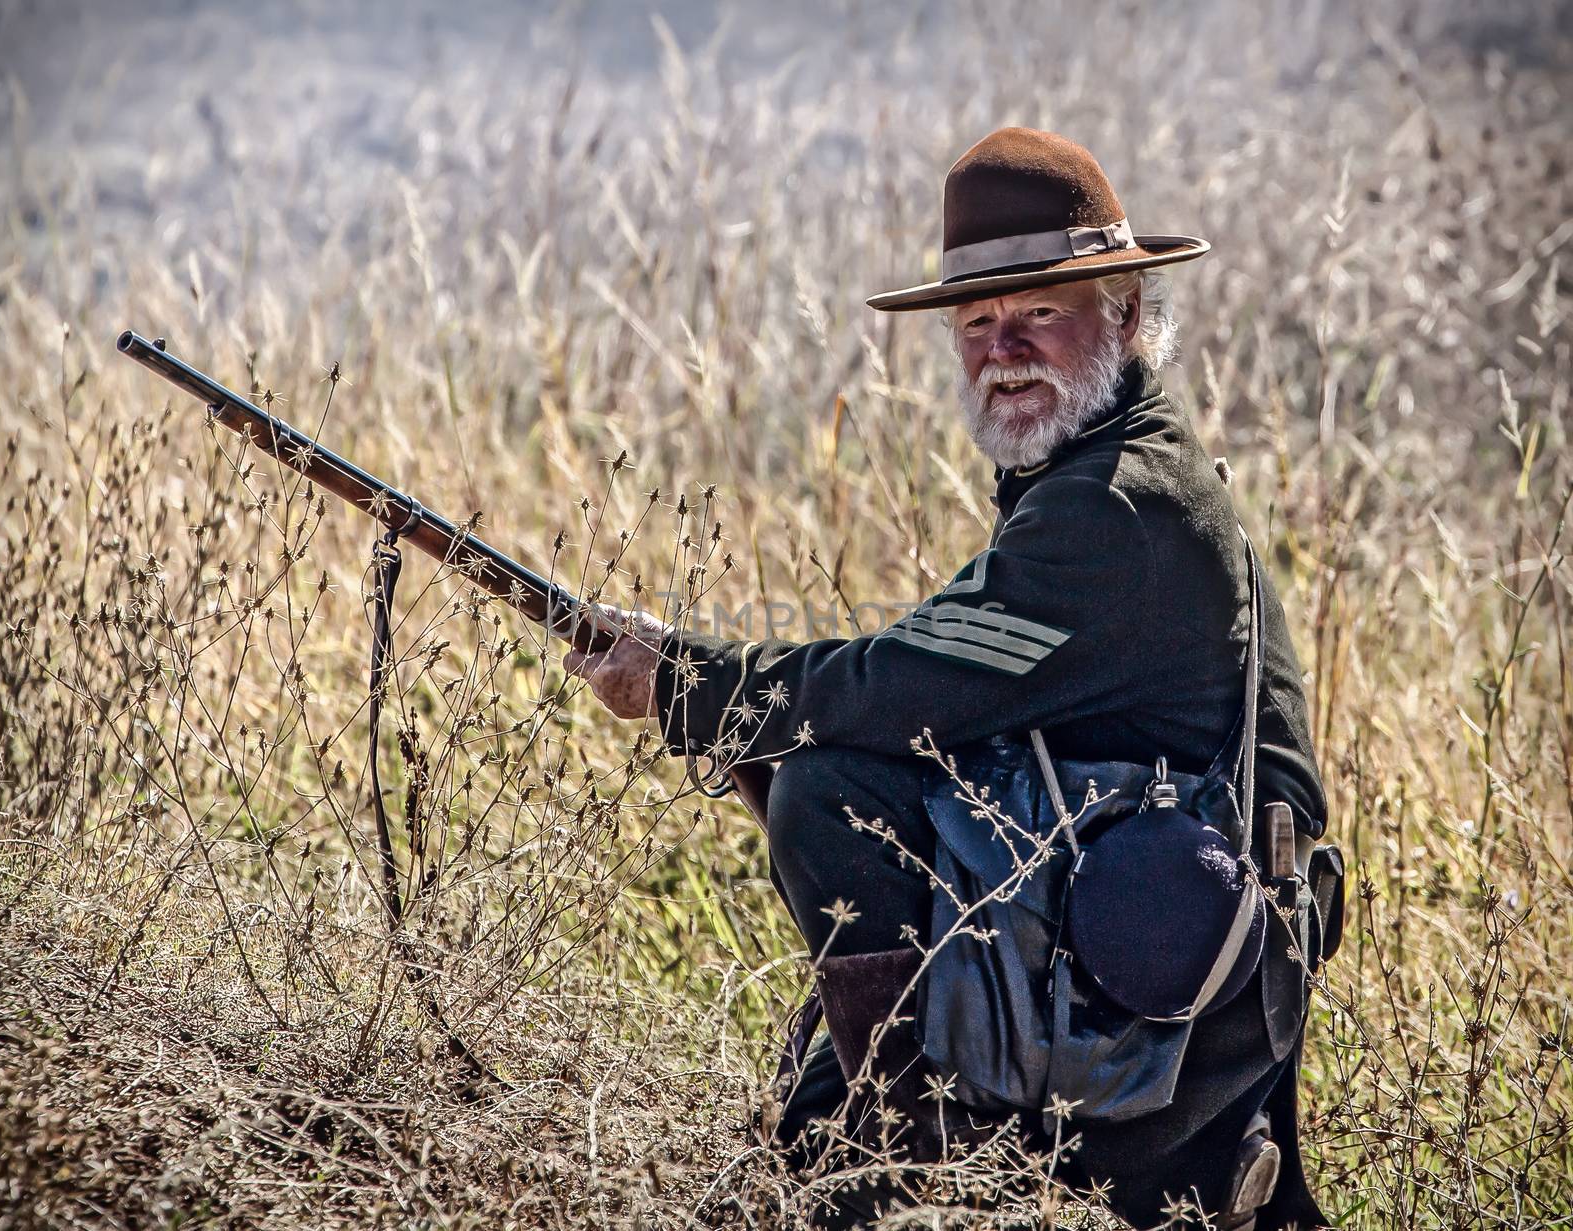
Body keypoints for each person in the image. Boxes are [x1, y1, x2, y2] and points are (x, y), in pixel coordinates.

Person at [565, 128, 1332, 1230]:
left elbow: (901, 686)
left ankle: (915, 1156)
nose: (1001, 347)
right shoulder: (1112, 463)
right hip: (1188, 963)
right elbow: (944, 704)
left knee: (836, 790)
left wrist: (684, 681)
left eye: (1038, 316)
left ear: (1122, 314)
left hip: (1187, 993)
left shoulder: (1111, 503)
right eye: (976, 321)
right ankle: (881, 1139)